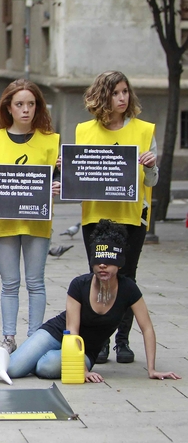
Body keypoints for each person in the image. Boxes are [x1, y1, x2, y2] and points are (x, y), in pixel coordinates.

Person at [0, 220, 181, 383]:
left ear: (119, 264)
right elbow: (72, 330)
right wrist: (77, 371)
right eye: (98, 262)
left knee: (45, 368)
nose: (103, 266)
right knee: (14, 370)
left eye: (109, 262)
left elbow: (147, 328)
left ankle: (30, 358)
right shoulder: (79, 285)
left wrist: (151, 369)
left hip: (86, 351)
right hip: (57, 334)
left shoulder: (129, 289)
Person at [0, 79, 60, 353]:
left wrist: (58, 185)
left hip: (38, 221)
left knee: (36, 281)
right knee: (10, 283)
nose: (26, 110)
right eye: (19, 104)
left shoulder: (52, 142)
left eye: (31, 104)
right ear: (8, 107)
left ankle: (35, 338)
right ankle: (8, 339)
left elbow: (58, 179)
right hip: (4, 222)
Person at [77, 71, 159, 364]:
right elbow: (77, 177)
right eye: (115, 93)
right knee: (99, 278)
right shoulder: (83, 131)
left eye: (125, 92)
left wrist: (151, 166)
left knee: (125, 278)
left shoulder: (144, 130)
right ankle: (99, 343)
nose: (122, 98)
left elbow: (151, 182)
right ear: (103, 96)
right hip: (96, 217)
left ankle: (122, 341)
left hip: (131, 217)